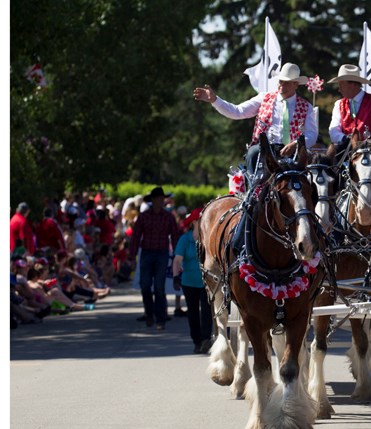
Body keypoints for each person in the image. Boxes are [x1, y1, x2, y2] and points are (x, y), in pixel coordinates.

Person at [193, 63, 318, 179]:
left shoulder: (306, 107)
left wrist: (296, 144)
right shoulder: (264, 98)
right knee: (253, 153)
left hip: (291, 151)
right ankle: (252, 193)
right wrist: (215, 100)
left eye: (286, 83)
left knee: (306, 173)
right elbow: (237, 111)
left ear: (295, 84)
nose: (281, 85)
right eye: (280, 81)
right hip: (265, 148)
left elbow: (312, 134)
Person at [129, 186, 180, 330]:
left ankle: (161, 319)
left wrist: (177, 255)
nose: (160, 201)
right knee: (145, 285)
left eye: (162, 199)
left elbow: (175, 236)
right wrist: (132, 255)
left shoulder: (168, 217)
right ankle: (149, 313)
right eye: (157, 199)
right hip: (146, 253)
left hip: (162, 254)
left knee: (159, 287)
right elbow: (136, 236)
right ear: (152, 200)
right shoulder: (144, 216)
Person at [327, 64, 371, 156]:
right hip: (346, 154)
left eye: (341, 85)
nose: (339, 90)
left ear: (352, 85)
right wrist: (344, 139)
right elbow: (333, 131)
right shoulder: (339, 104)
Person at [172, 207, 213, 354]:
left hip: (207, 281)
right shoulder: (185, 239)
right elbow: (177, 260)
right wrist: (176, 276)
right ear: (194, 222)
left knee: (207, 311)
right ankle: (196, 341)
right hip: (189, 282)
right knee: (193, 312)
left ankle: (206, 339)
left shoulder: (209, 238)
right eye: (200, 219)